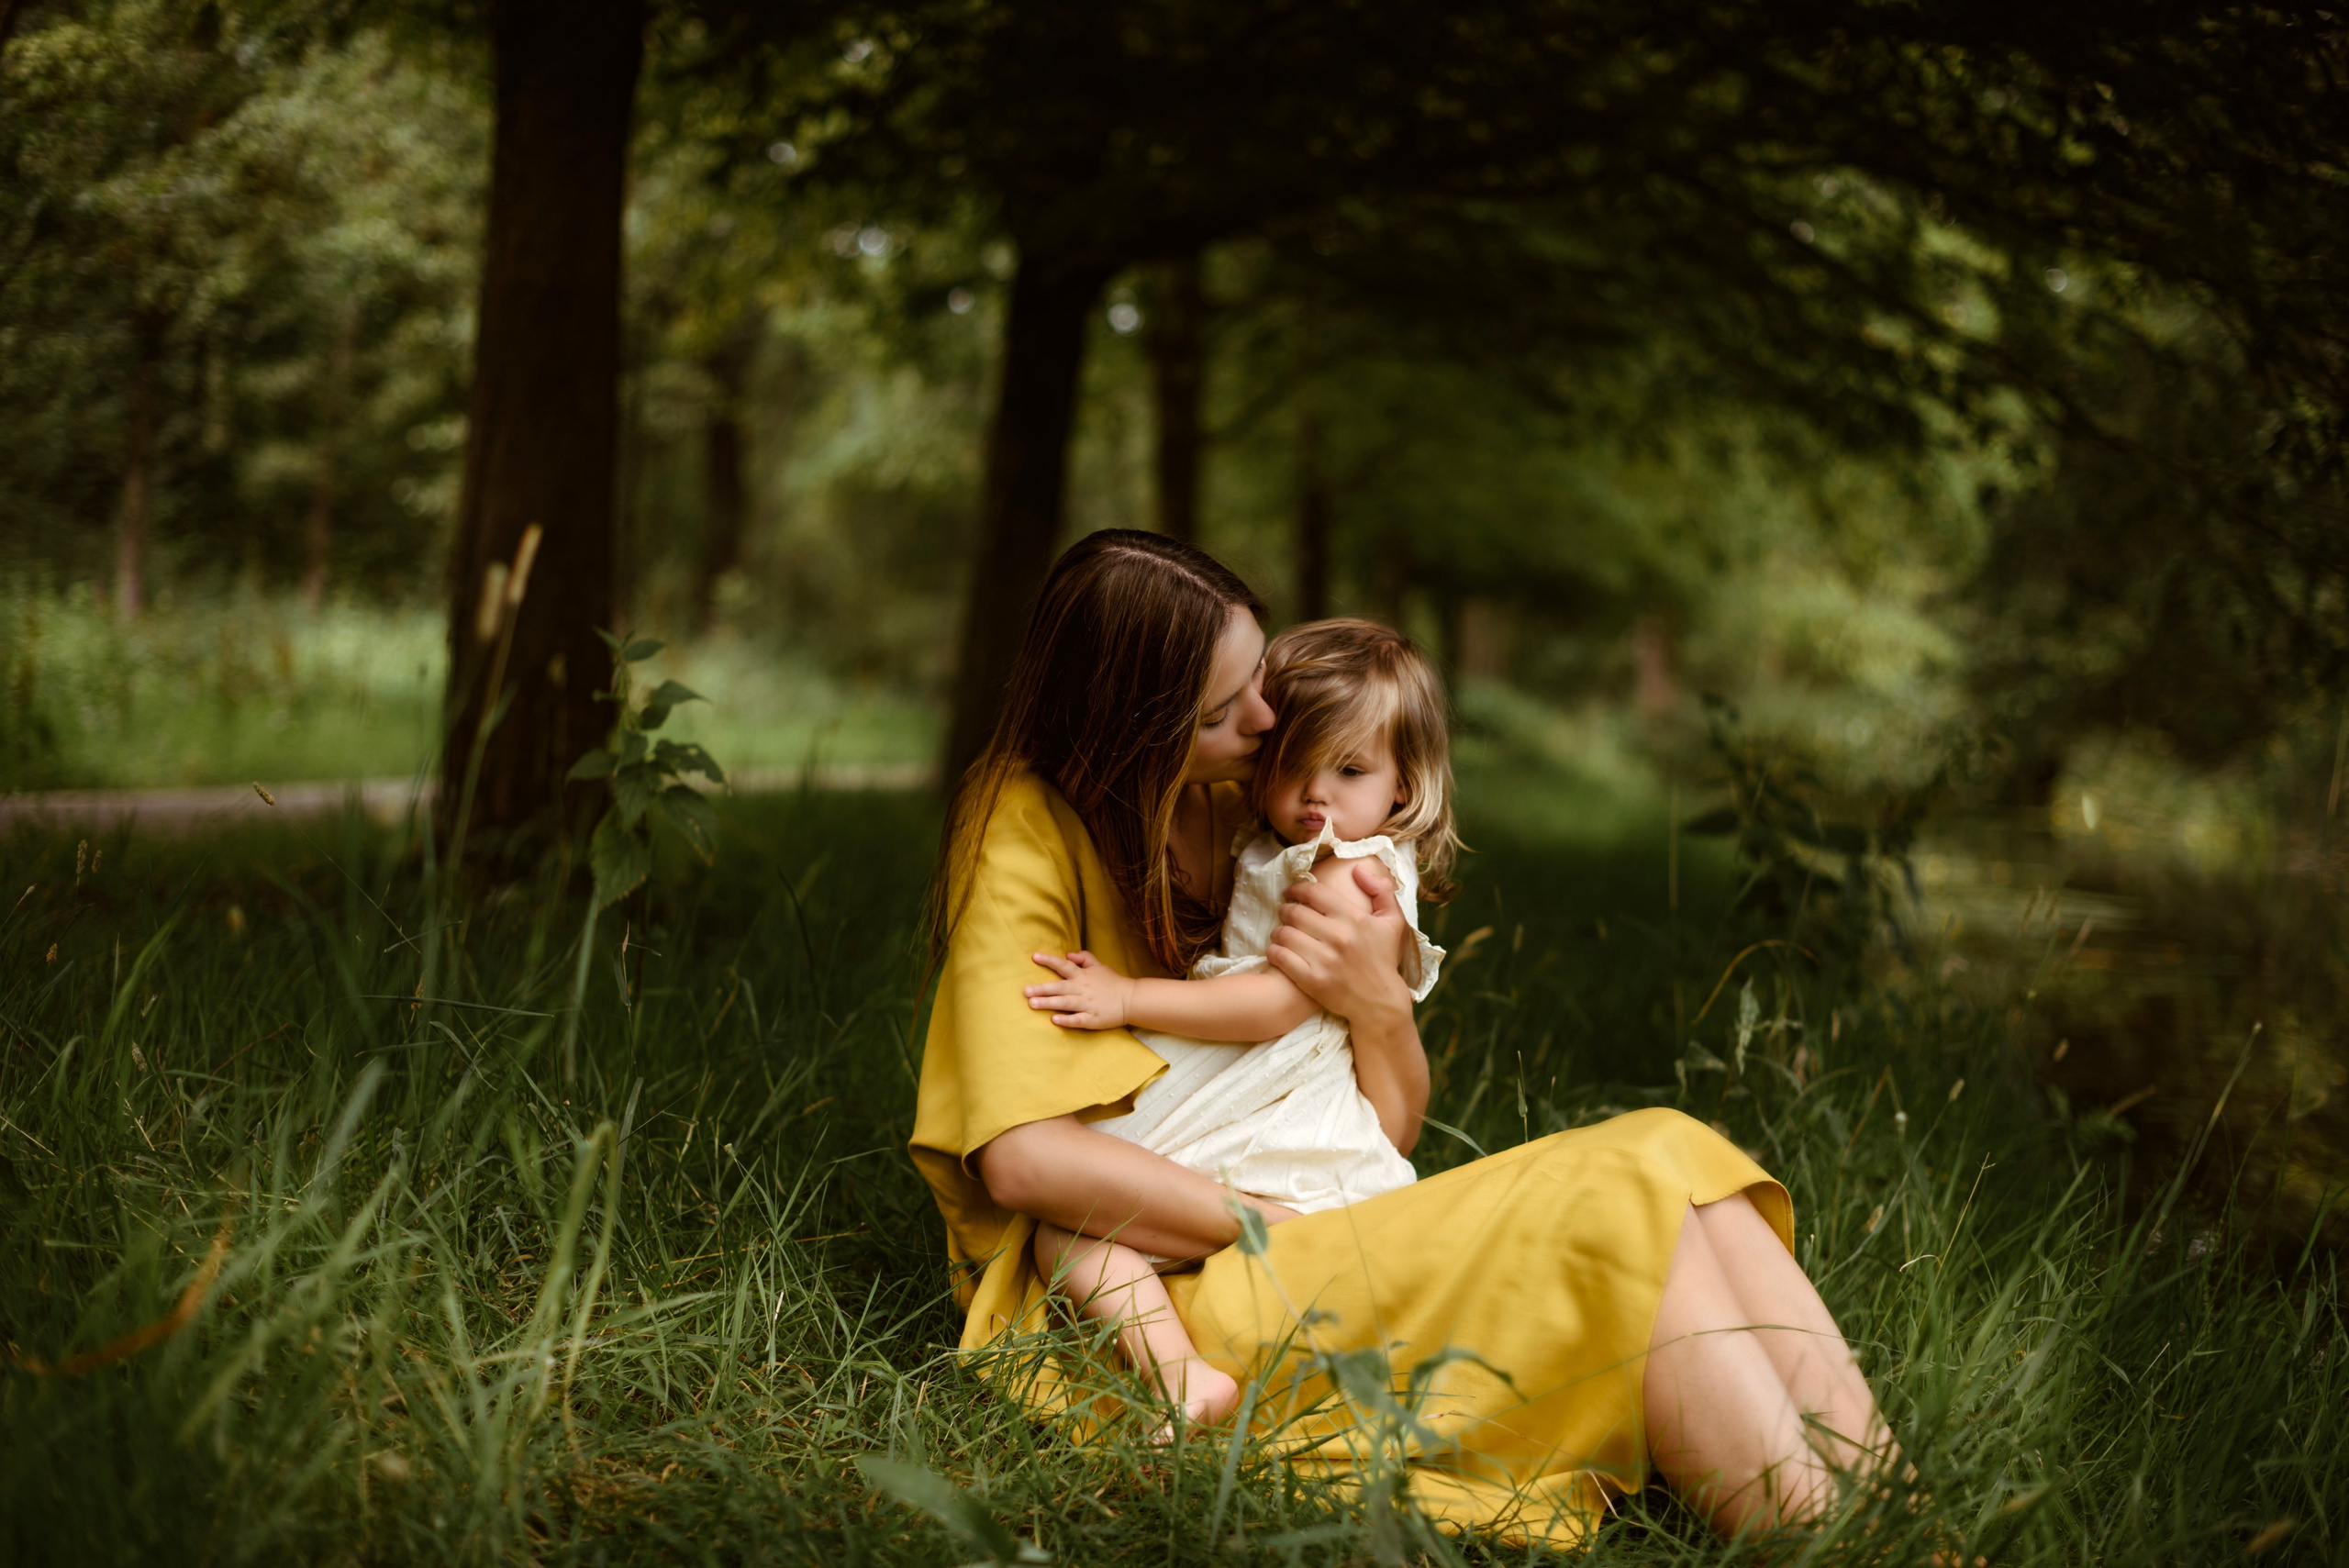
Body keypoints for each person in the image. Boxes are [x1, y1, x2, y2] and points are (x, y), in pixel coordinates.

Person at [907, 529, 1892, 1546]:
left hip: (1280, 1212)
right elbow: (1024, 1161)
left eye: (1259, 682)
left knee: (1676, 1155)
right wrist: (1270, 1220)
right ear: (1132, 724)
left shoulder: (1256, 803)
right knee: (1617, 1209)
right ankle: (1827, 1543)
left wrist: (1374, 999)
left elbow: (1388, 1123)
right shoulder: (1021, 820)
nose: (1263, 719)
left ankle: (1896, 1519)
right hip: (1140, 1293)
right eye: (1222, 709)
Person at [1015, 618, 1460, 1429]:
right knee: (1071, 1228)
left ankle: (1191, 1361)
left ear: (1402, 786)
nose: (1316, 793)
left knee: (1074, 1220)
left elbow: (1273, 1007)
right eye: (1295, 762)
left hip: (1276, 1084)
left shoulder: (1349, 876)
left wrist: (1127, 998)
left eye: (1350, 769)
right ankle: (1184, 1377)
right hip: (1241, 1072)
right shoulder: (1278, 841)